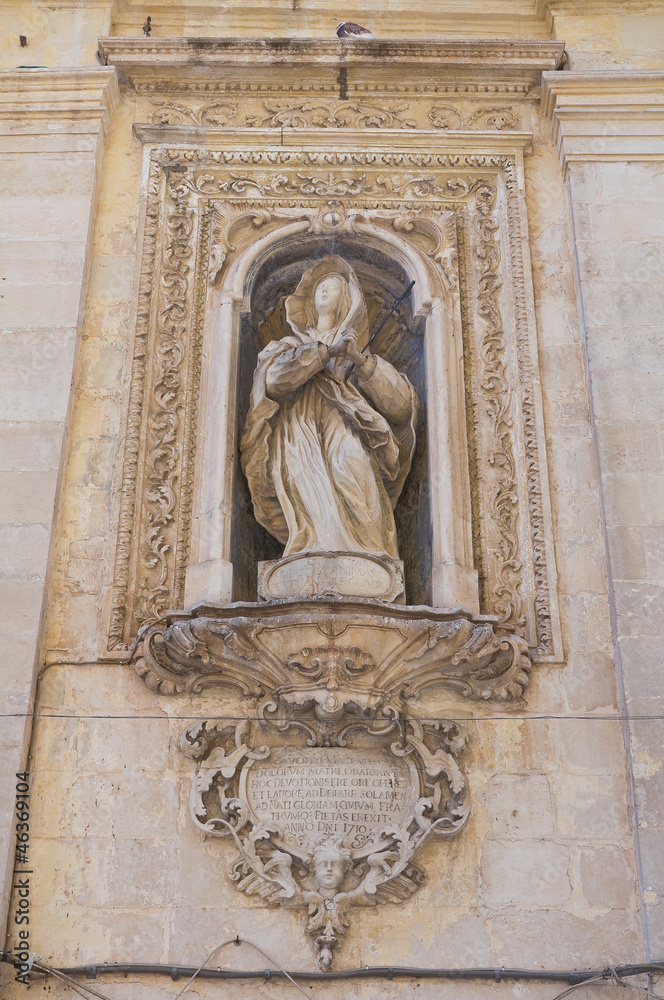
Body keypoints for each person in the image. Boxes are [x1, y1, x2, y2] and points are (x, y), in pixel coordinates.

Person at [240, 256, 417, 561]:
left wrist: (360, 362)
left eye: (333, 287)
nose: (324, 290)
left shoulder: (359, 355)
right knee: (305, 487)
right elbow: (272, 381)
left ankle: (369, 559)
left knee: (352, 470)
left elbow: (401, 406)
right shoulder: (285, 347)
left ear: (347, 301)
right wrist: (324, 352)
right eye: (320, 287)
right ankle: (311, 553)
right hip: (299, 431)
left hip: (346, 423)